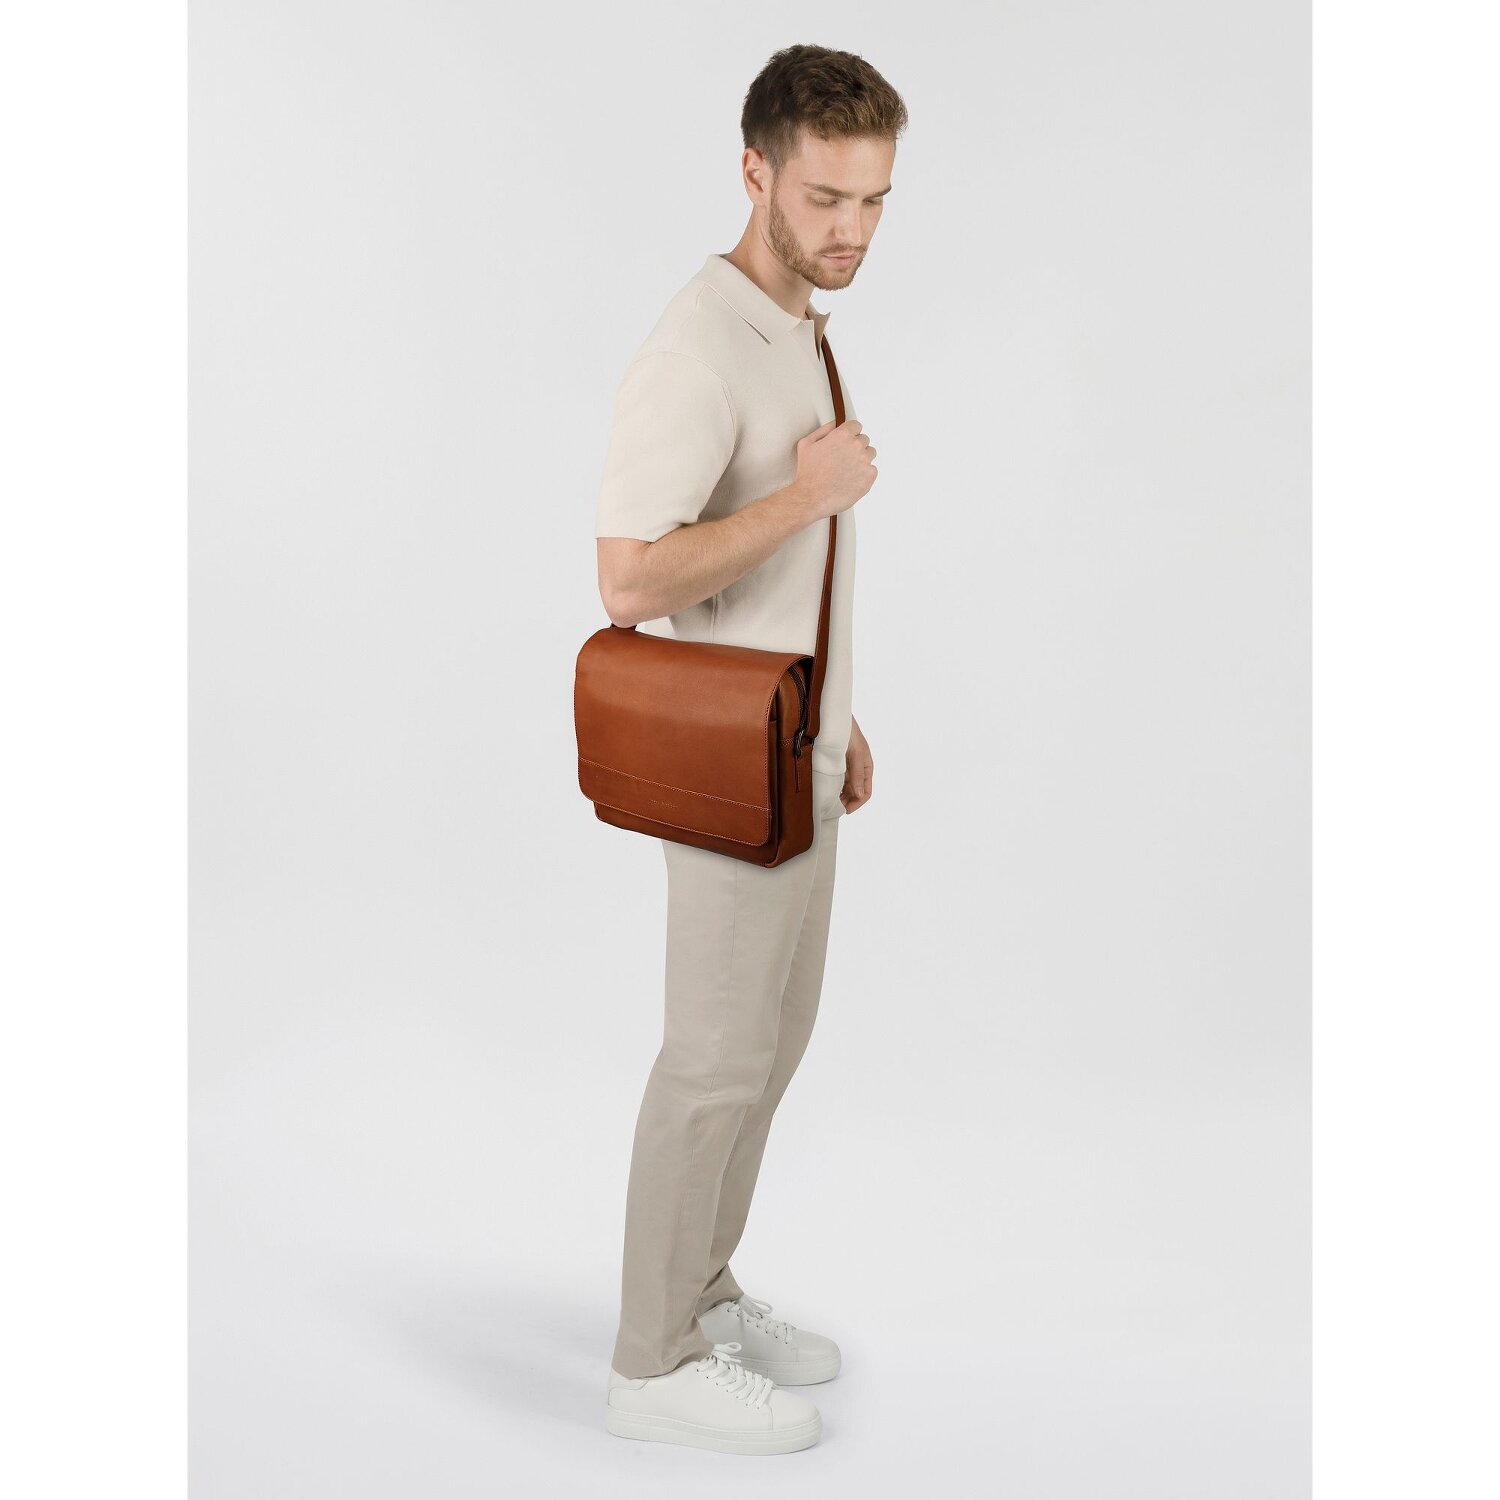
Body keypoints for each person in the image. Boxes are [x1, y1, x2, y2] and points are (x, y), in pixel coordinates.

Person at [592, 43, 906, 1455]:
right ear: (755, 173)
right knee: (712, 1062)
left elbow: (773, 586)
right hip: (726, 767)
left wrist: (838, 714)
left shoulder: (797, 328)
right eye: (826, 196)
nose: (852, 228)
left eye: (875, 199)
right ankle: (649, 1363)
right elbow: (629, 580)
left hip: (797, 748)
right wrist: (805, 498)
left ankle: (703, 1292)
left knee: (770, 1050)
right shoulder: (698, 345)